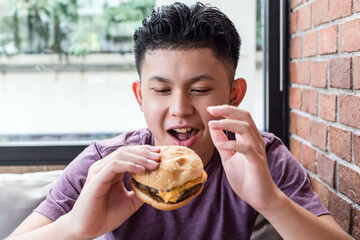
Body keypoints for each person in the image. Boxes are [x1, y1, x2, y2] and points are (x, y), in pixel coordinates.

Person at [7, 2, 352, 240]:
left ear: (234, 95)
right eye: (161, 90)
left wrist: (270, 201)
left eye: (200, 89)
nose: (180, 108)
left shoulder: (259, 156)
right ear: (140, 96)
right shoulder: (105, 165)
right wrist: (77, 228)